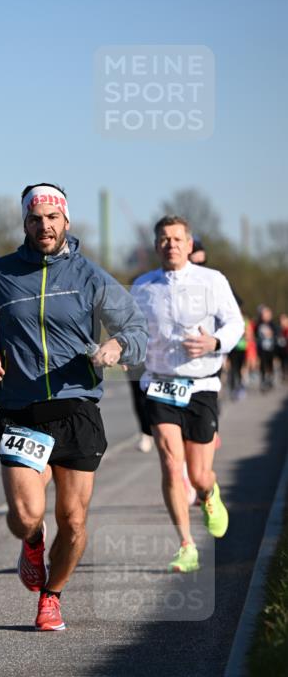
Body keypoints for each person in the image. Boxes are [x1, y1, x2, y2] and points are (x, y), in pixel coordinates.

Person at [0, 182, 147, 632]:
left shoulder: (90, 276)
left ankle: (52, 596)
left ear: (66, 221)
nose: (43, 226)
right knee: (26, 514)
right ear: (24, 222)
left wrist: (118, 345)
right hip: (22, 408)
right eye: (34, 219)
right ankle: (31, 541)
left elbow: (138, 327)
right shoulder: (1, 274)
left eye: (52, 218)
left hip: (77, 406)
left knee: (74, 519)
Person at [131, 216, 244, 573]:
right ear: (156, 246)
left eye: (177, 239)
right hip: (160, 384)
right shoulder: (143, 286)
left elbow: (236, 324)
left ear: (190, 244)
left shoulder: (212, 281)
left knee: (198, 475)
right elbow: (132, 329)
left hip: (202, 386)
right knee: (169, 462)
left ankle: (209, 495)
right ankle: (186, 545)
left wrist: (214, 342)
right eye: (164, 239)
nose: (171, 245)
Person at [254, 305, 278, 391]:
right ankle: (263, 380)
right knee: (262, 364)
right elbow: (255, 334)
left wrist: (271, 334)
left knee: (270, 364)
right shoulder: (259, 324)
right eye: (263, 314)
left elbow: (276, 334)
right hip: (262, 348)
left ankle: (270, 379)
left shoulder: (272, 324)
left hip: (271, 348)